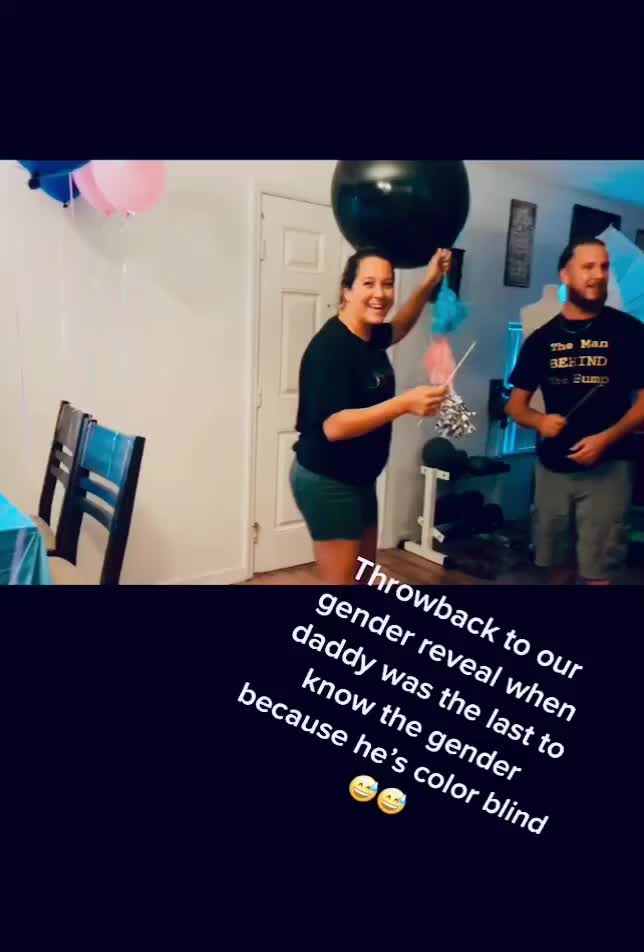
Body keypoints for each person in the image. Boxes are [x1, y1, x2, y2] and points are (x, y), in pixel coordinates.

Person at [290, 246, 452, 585]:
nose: (380, 294)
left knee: (364, 574)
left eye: (388, 284)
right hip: (328, 480)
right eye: (368, 283)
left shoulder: (369, 335)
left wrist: (428, 282)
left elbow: (400, 326)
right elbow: (334, 426)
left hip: (359, 478)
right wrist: (404, 404)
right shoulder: (331, 348)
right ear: (346, 291)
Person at [506, 237, 644, 585]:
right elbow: (515, 407)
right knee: (557, 568)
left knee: (599, 573)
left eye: (604, 267)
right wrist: (539, 420)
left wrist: (606, 439)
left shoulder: (629, 332)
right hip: (553, 469)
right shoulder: (541, 340)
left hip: (611, 469)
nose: (598, 275)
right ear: (566, 275)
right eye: (588, 267)